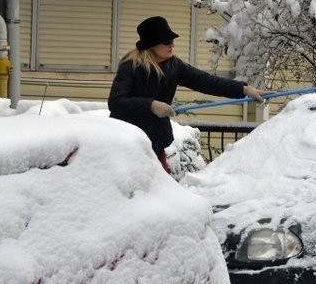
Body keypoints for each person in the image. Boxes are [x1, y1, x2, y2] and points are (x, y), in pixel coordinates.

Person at [108, 16, 266, 173]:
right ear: (152, 44)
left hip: (155, 144)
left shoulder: (174, 66)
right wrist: (151, 105)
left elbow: (208, 82)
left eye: (172, 40)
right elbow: (116, 102)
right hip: (129, 143)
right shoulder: (131, 66)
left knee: (157, 192)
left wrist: (244, 89)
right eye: (167, 41)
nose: (172, 45)